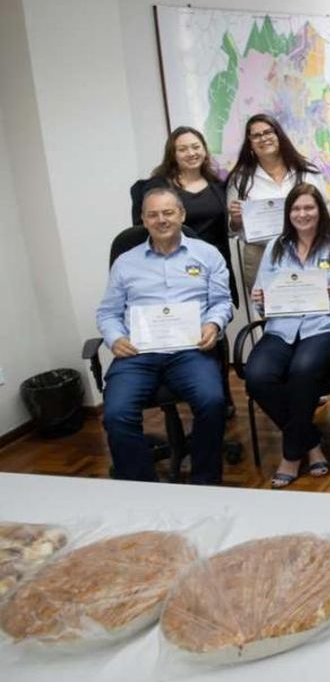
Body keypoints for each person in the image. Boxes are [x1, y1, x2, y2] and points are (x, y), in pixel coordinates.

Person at [96, 186, 233, 483]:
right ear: (143, 220)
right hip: (138, 353)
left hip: (190, 350)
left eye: (168, 213)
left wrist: (213, 325)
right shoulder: (126, 263)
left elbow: (222, 302)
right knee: (116, 414)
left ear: (181, 215)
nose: (161, 220)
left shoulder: (208, 255)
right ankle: (143, 486)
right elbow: (107, 313)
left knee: (212, 402)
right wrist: (115, 338)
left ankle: (205, 481)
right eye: (153, 215)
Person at [246, 183, 330, 488]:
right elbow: (262, 297)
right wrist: (260, 301)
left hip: (325, 328)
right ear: (288, 214)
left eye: (309, 207)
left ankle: (291, 455)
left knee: (303, 370)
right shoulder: (275, 247)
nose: (303, 214)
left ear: (321, 211)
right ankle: (310, 441)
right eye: (296, 208)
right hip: (281, 328)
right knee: (257, 375)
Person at [130, 126, 235, 303]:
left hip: (213, 269)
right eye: (183, 149)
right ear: (173, 154)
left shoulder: (218, 186)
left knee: (215, 319)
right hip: (172, 269)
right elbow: (144, 229)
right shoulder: (156, 187)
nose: (191, 153)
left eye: (196, 146)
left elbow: (226, 229)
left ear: (204, 149)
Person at [226, 113, 328, 294]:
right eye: (256, 135)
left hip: (308, 251)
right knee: (269, 313)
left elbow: (325, 212)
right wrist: (235, 220)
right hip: (261, 254)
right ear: (249, 143)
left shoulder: (306, 172)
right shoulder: (240, 180)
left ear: (278, 135)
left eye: (268, 132)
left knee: (312, 303)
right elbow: (231, 229)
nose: (263, 138)